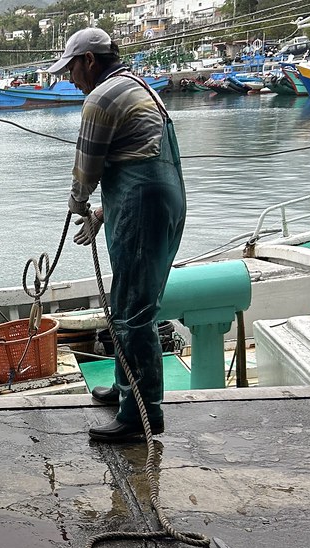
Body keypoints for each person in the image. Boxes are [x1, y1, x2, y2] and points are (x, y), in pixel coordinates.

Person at [49, 28, 186, 442]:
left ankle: (142, 415)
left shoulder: (102, 97)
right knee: (131, 299)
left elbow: (86, 167)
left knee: (133, 312)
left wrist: (78, 203)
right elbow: (139, 158)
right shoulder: (140, 86)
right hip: (161, 201)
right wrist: (103, 212)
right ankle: (127, 389)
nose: (71, 79)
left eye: (71, 69)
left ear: (89, 60)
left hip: (143, 206)